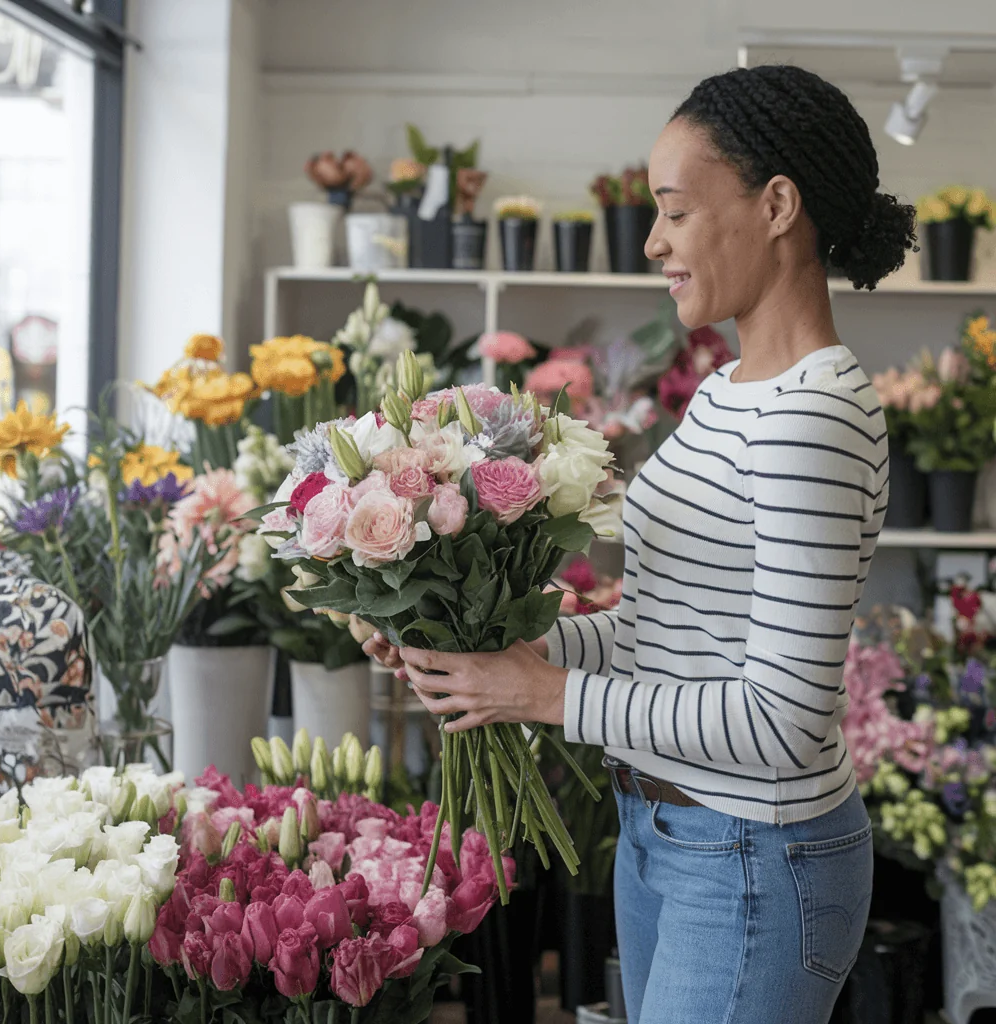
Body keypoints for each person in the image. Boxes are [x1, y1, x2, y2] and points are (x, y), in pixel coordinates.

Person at [365, 64, 916, 1024]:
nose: (654, 241)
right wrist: (498, 655)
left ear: (778, 205)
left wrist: (543, 693)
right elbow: (670, 633)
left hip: (754, 852)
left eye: (674, 211)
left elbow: (780, 722)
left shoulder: (816, 417)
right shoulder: (728, 390)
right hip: (667, 831)